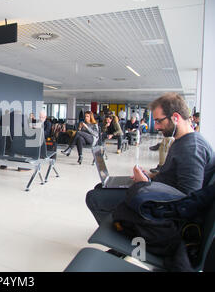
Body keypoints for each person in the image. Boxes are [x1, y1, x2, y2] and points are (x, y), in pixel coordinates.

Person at [86, 92, 214, 225]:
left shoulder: (192, 148)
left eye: (159, 121)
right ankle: (121, 223)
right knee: (101, 187)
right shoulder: (182, 141)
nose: (157, 126)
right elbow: (174, 176)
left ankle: (123, 229)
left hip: (162, 208)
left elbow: (188, 200)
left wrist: (145, 184)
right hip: (158, 192)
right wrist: (151, 176)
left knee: (94, 197)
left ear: (175, 117)